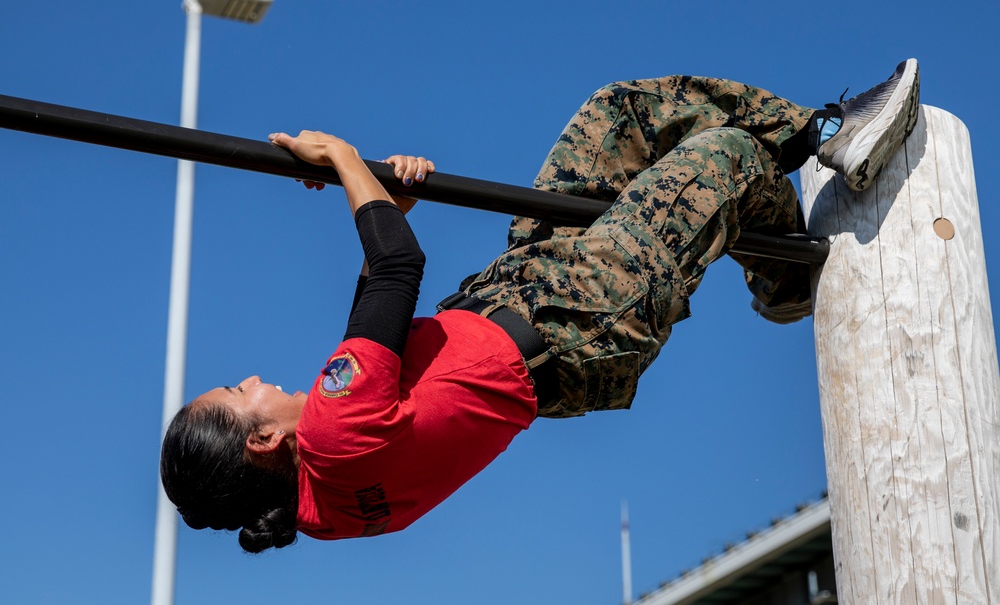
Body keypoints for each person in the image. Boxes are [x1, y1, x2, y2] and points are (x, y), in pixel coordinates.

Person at [160, 59, 920, 552]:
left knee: (615, 117)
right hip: (577, 316)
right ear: (259, 441)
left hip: (523, 291)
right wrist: (341, 160)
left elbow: (385, 319)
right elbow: (397, 267)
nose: (252, 377)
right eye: (237, 391)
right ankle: (823, 154)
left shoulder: (325, 505)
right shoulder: (329, 437)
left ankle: (800, 212)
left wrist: (388, 198)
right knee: (724, 158)